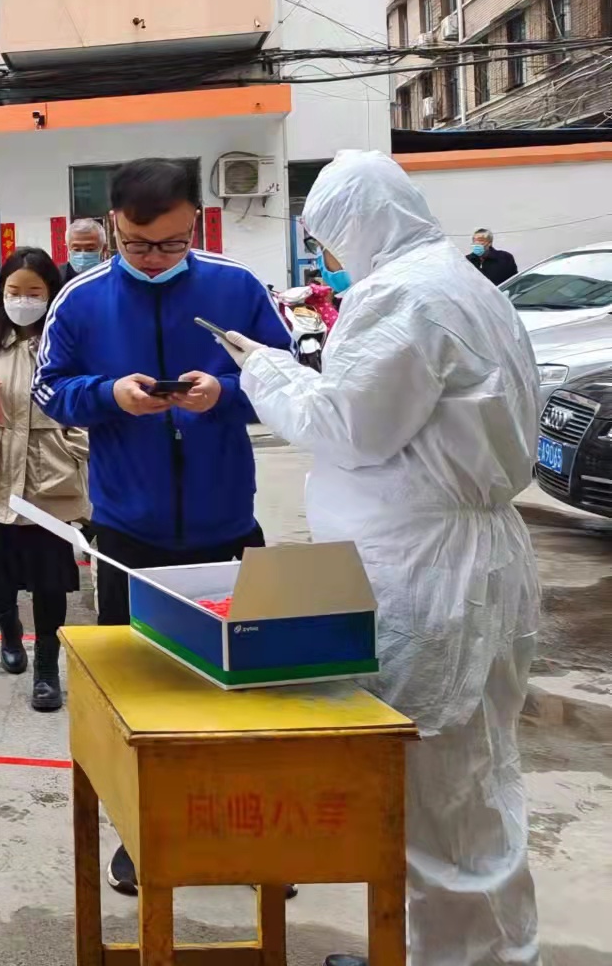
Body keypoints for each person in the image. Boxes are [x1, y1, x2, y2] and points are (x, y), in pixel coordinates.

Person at [220, 152, 541, 966]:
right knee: (474, 778)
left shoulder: (403, 294)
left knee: (441, 793)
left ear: (358, 224)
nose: (331, 259)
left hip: (432, 569)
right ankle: (453, 949)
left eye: (330, 240)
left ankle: (465, 957)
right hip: (474, 555)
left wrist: (263, 368)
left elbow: (349, 428)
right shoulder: (465, 283)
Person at [31, 157, 292, 895]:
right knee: (141, 698)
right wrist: (109, 394)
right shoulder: (82, 298)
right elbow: (50, 388)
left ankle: (248, 832)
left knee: (242, 691)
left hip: (226, 523)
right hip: (128, 532)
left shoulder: (236, 287)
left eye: (173, 243)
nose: (155, 258)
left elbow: (291, 374)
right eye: (139, 244)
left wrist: (228, 392)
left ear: (195, 224)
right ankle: (142, 833)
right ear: (113, 225)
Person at [0, 247, 89, 712]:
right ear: (1, 292)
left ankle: (47, 667)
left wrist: (75, 447)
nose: (23, 300)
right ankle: (9, 632)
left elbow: (91, 402)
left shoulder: (68, 342)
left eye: (34, 292)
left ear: (51, 294)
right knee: (0, 571)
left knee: (50, 579)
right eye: (14, 291)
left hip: (51, 478)